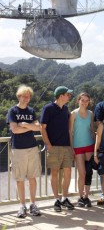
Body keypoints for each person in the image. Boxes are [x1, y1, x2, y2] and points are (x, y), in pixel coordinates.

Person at [7, 85, 42, 218]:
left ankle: (33, 204)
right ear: (19, 96)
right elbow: (14, 130)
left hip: (32, 148)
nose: (27, 99)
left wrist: (25, 125)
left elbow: (38, 127)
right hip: (18, 149)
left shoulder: (31, 111)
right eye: (24, 96)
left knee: (32, 178)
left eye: (28, 97)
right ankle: (22, 206)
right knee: (20, 179)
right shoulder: (12, 111)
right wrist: (30, 127)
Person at [40, 86, 75, 212]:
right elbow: (42, 127)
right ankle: (56, 200)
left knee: (68, 173)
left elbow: (70, 129)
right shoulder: (48, 108)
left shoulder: (66, 109)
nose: (69, 97)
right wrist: (48, 144)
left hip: (66, 146)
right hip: (53, 146)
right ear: (61, 96)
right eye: (68, 95)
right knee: (54, 173)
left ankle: (64, 198)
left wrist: (71, 147)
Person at [69, 92, 95, 207]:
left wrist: (96, 146)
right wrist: (71, 148)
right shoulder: (73, 114)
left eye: (86, 100)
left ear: (89, 102)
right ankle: (80, 197)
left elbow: (92, 130)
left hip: (89, 145)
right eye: (82, 100)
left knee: (89, 172)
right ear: (78, 100)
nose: (84, 102)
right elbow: (70, 131)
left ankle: (86, 196)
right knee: (82, 173)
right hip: (78, 146)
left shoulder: (91, 114)